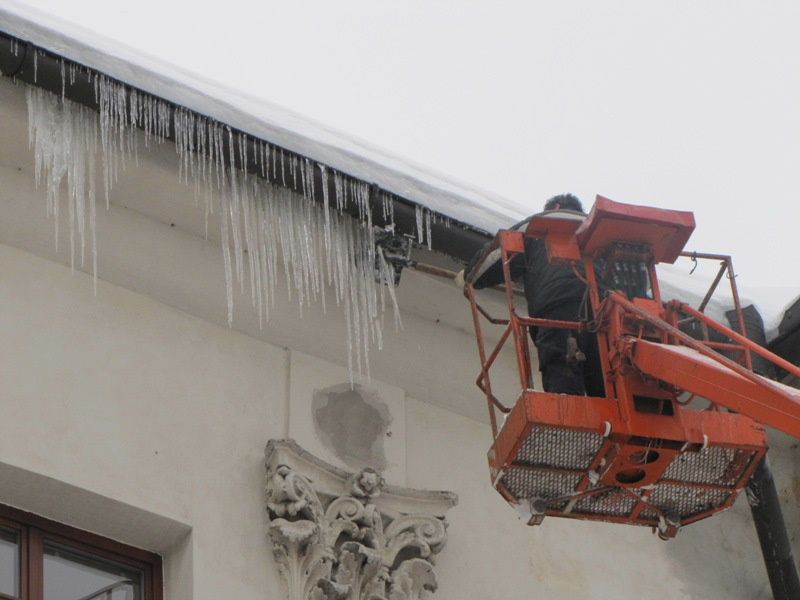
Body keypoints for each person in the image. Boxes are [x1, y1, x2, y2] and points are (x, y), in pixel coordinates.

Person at [463, 194, 604, 397]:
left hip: (556, 312)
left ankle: (565, 415)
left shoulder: (539, 225)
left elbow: (488, 264)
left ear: (554, 207)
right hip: (602, 316)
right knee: (606, 384)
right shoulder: (600, 233)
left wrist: (468, 277)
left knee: (563, 380)